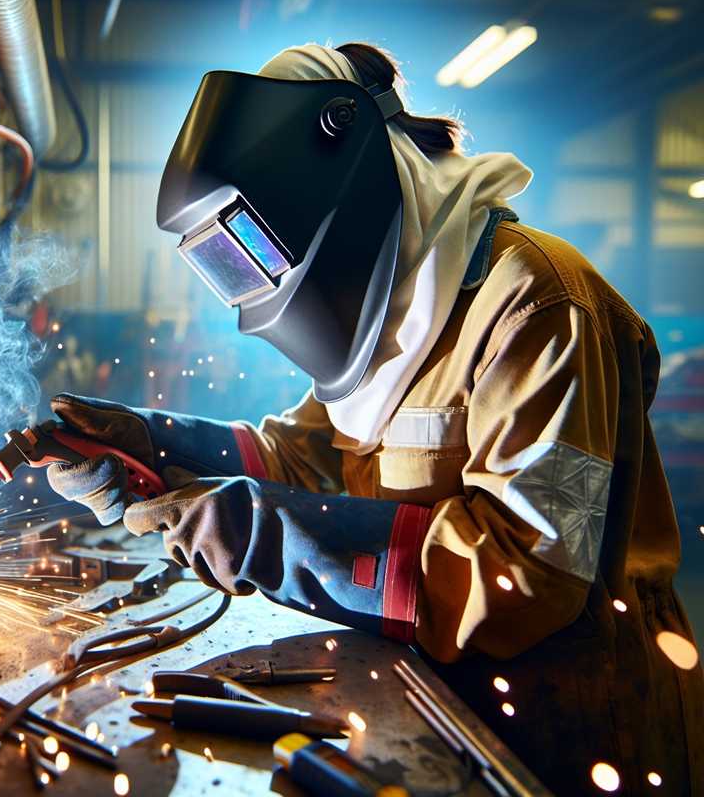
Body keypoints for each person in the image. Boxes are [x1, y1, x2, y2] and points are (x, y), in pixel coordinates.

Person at [46, 43, 704, 794]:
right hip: (443, 705)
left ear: (328, 186)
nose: (254, 284)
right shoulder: (394, 320)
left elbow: (531, 577)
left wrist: (264, 535)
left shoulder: (540, 305)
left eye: (254, 249)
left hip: (580, 724)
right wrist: (150, 451)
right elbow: (303, 462)